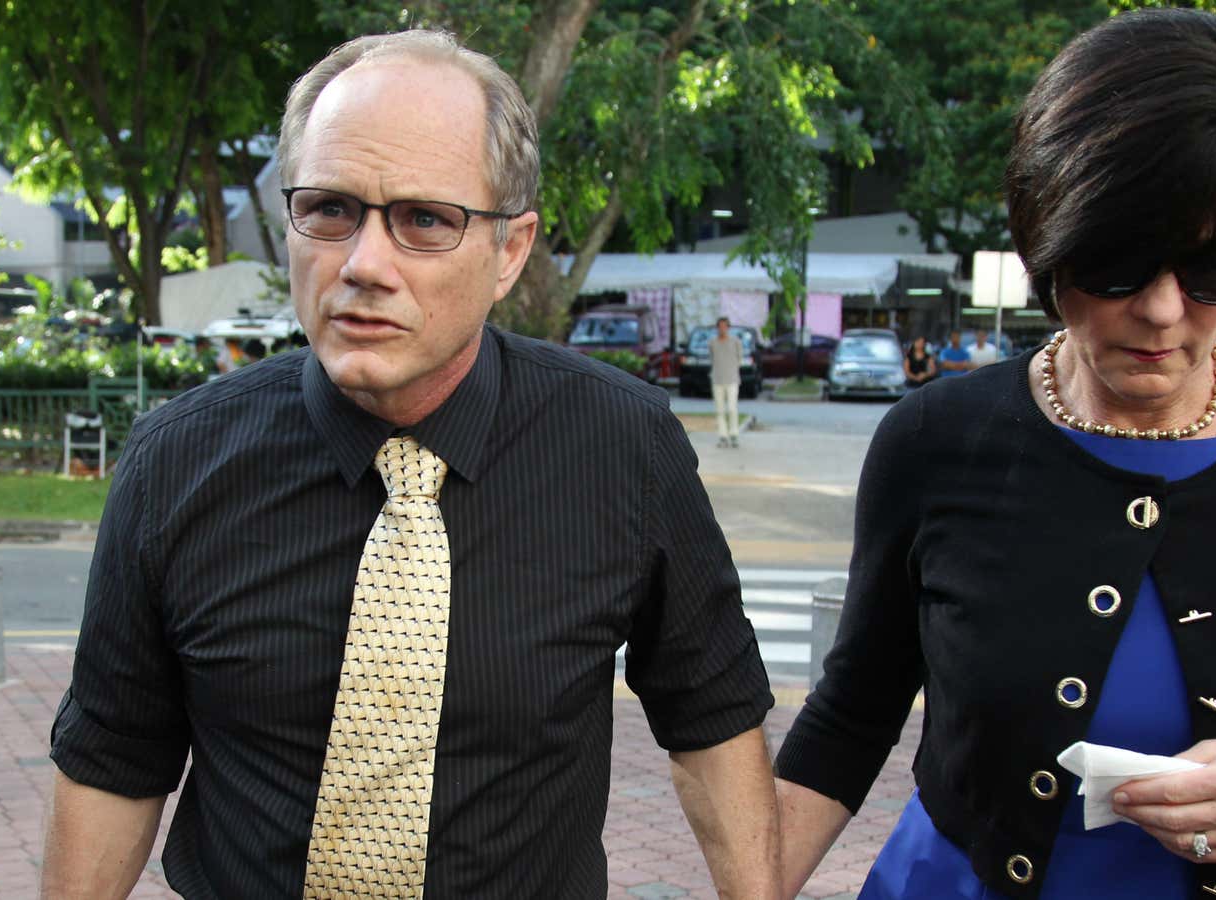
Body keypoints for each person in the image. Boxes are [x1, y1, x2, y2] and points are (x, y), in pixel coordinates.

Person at [42, 30, 779, 899]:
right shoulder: (178, 463)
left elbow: (712, 727)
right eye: (329, 209)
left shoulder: (625, 449)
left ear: (510, 250)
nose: (363, 265)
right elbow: (114, 763)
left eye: (425, 220)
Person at [774, 10, 1216, 900]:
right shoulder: (938, 438)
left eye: (1212, 272)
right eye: (1114, 265)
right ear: (1047, 240)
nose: (1160, 311)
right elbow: (853, 711)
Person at [710, 316, 745, 448]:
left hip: (732, 379)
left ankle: (734, 434)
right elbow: (712, 358)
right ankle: (723, 435)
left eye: (725, 326)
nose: (722, 329)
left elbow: (739, 358)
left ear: (728, 328)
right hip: (717, 379)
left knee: (731, 408)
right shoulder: (713, 342)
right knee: (720, 410)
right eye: (720, 326)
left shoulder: (735, 342)